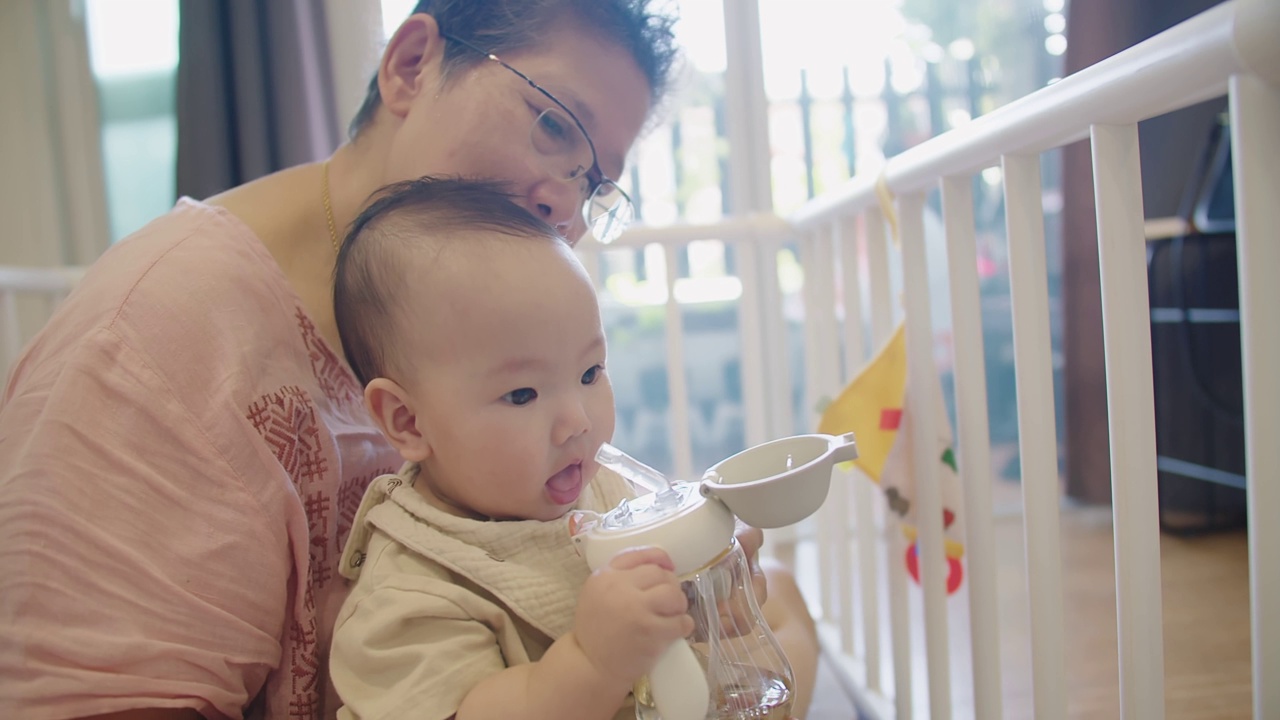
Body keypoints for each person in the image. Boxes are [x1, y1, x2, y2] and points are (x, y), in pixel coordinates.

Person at [0, 2, 816, 719]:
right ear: (411, 64)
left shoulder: (475, 339)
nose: (562, 203)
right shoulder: (153, 343)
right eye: (554, 123)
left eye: (591, 180)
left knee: (779, 620)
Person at [325, 176, 693, 720]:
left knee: (783, 604)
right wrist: (592, 662)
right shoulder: (410, 594)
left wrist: (708, 574)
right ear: (408, 421)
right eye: (522, 394)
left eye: (591, 372)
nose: (577, 422)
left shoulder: (588, 483)